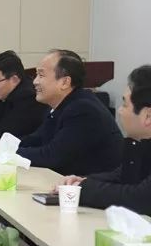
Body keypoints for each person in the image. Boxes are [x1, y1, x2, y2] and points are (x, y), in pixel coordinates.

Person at [59, 65, 151, 214]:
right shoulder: (140, 144)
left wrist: (84, 189)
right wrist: (83, 181)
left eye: (125, 105)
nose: (120, 111)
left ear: (148, 116)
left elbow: (140, 198)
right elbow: (122, 175)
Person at [17, 49, 122, 176]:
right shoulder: (61, 105)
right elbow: (37, 139)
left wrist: (8, 154)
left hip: (91, 185)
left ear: (65, 82)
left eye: (41, 75)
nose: (35, 81)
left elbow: (52, 156)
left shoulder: (83, 109)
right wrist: (6, 146)